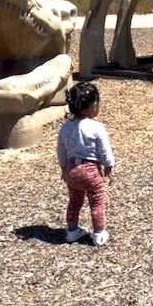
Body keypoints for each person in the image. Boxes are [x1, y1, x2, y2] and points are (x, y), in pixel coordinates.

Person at [57, 81, 115, 246]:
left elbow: (61, 149)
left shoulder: (65, 127)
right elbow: (104, 150)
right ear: (94, 105)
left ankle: (72, 231)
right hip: (90, 172)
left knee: (75, 201)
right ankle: (98, 233)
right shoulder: (96, 127)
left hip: (72, 169)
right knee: (96, 202)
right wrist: (108, 166)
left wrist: (63, 168)